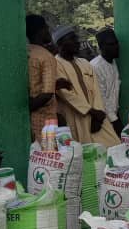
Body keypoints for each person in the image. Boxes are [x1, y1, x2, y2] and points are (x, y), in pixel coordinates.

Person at [53, 25, 119, 147]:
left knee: (114, 144)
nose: (77, 41)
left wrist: (98, 114)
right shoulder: (56, 64)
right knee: (87, 153)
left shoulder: (84, 63)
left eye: (76, 38)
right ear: (61, 43)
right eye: (72, 39)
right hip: (76, 116)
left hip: (97, 116)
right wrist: (91, 111)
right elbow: (65, 94)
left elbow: (96, 90)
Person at [26, 14, 62, 142]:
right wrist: (27, 107)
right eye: (46, 28)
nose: (49, 32)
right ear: (41, 30)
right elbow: (47, 93)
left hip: (27, 122)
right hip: (44, 121)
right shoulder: (46, 57)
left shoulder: (25, 52)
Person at [91, 27, 123, 135]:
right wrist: (115, 120)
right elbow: (101, 97)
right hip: (101, 118)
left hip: (113, 115)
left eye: (116, 43)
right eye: (111, 44)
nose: (117, 47)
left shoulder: (112, 62)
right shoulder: (95, 67)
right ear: (101, 47)